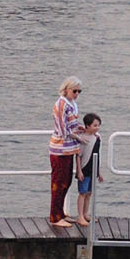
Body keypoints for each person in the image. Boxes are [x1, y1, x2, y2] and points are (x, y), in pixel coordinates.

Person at [49, 77, 87, 227]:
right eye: (74, 91)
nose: (77, 94)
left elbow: (72, 124)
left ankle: (60, 212)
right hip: (59, 149)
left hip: (68, 149)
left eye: (79, 91)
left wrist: (80, 128)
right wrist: (78, 137)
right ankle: (55, 216)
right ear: (66, 90)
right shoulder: (61, 105)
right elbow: (63, 130)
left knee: (66, 181)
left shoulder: (72, 104)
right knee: (58, 182)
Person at [75, 113, 105, 225]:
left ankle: (85, 213)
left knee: (89, 193)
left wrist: (99, 172)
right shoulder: (83, 139)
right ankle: (80, 216)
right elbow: (78, 156)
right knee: (82, 193)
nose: (97, 128)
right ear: (87, 126)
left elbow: (97, 154)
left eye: (98, 125)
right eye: (95, 125)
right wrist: (79, 171)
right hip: (84, 168)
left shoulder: (97, 138)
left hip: (93, 168)